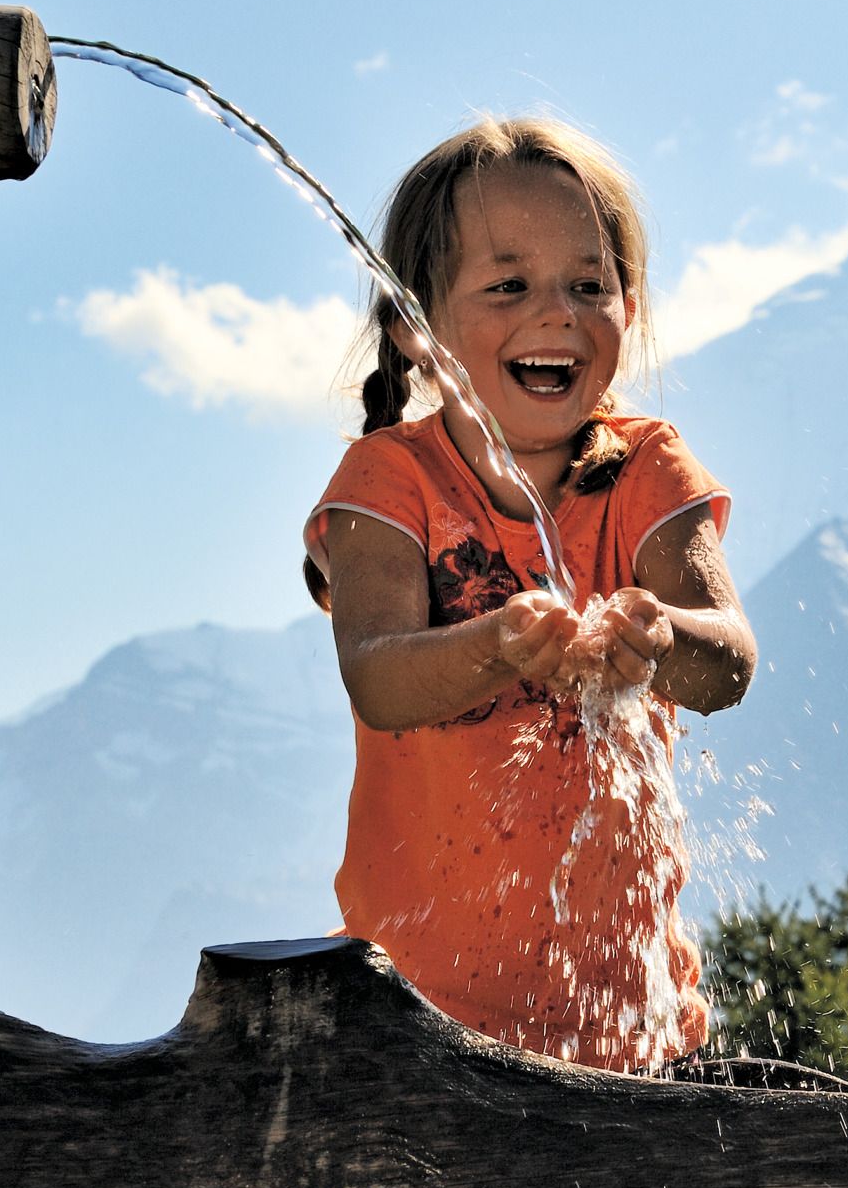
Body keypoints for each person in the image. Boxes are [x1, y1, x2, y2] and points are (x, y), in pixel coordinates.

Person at [302, 116, 756, 1072]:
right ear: (413, 330)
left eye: (589, 285)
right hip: (419, 1023)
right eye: (508, 285)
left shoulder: (644, 470)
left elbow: (728, 662)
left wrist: (658, 634)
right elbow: (377, 679)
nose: (557, 313)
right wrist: (498, 645)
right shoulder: (389, 482)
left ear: (628, 309)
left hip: (629, 1024)